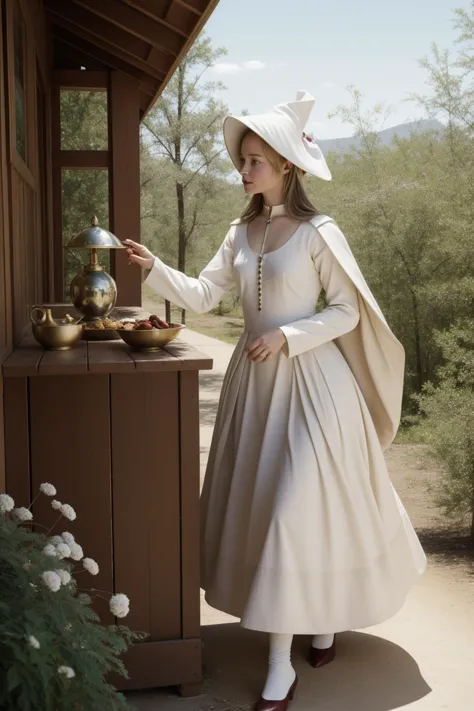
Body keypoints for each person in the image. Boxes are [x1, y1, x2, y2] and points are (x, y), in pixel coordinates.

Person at [124, 91, 426, 711]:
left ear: (287, 163)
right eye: (242, 158)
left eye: (256, 159)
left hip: (316, 389)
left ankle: (280, 665)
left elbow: (347, 311)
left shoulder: (321, 232)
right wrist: (153, 265)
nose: (245, 169)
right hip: (256, 390)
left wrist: (288, 336)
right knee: (268, 509)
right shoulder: (239, 231)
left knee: (296, 512)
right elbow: (203, 296)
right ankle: (312, 626)